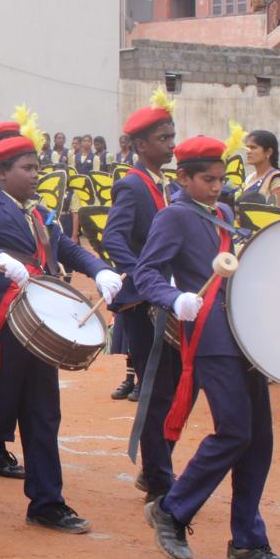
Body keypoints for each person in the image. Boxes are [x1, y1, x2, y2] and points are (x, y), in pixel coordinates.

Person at [0, 129, 121, 532]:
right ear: (2, 172)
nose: (37, 174)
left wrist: (99, 268)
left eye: (37, 167)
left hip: (38, 326)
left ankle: (46, 502)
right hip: (2, 325)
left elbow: (65, 249)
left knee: (43, 414)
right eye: (27, 168)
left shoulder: (35, 212)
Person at [138, 135, 280, 559]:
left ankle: (247, 544)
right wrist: (175, 299)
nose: (217, 186)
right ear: (183, 177)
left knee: (258, 440)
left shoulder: (224, 212)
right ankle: (171, 509)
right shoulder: (173, 217)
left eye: (221, 178)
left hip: (245, 335)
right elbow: (146, 272)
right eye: (207, 179)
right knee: (233, 431)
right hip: (210, 336)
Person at [102, 93, 180, 503]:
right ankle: (158, 479)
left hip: (163, 300)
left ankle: (155, 471)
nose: (171, 145)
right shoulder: (132, 185)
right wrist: (145, 277)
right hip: (145, 304)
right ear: (140, 145)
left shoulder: (163, 184)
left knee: (168, 388)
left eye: (173, 136)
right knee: (155, 391)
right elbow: (113, 237)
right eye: (164, 138)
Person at [240, 129, 280, 208]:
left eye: (253, 147)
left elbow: (278, 215)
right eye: (247, 147)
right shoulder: (249, 178)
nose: (248, 151)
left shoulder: (276, 180)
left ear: (268, 152)